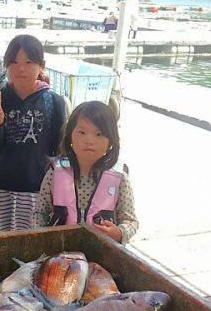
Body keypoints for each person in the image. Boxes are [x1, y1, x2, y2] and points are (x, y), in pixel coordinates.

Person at [0, 34, 66, 234]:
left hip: (36, 192)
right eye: (14, 62)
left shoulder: (53, 102)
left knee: (30, 252)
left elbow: (57, 151)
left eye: (29, 62)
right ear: (6, 65)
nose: (21, 68)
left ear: (41, 65)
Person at [33, 100, 138, 244]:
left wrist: (119, 233)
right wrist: (40, 239)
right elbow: (39, 212)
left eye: (99, 134)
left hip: (102, 255)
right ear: (70, 136)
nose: (89, 140)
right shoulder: (54, 174)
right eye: (82, 132)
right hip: (61, 254)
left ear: (111, 141)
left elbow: (130, 220)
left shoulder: (119, 179)